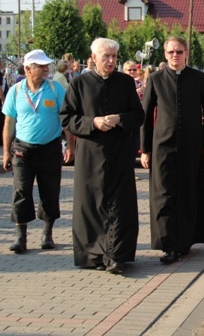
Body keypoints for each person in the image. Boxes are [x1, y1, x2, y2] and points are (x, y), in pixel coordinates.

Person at [61, 38, 144, 274]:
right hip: (90, 155)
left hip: (119, 153)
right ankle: (93, 254)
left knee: (120, 205)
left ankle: (117, 255)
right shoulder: (79, 83)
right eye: (106, 56)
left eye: (114, 57)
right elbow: (67, 118)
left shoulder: (125, 83)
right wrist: (93, 122)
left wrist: (119, 119)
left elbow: (138, 116)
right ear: (94, 57)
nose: (110, 61)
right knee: (91, 204)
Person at [141, 36, 204, 264]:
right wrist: (145, 150)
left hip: (192, 147)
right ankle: (169, 244)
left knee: (187, 193)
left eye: (179, 51)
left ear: (186, 54)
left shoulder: (199, 79)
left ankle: (185, 241)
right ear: (165, 55)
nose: (175, 55)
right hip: (162, 147)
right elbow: (145, 116)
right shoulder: (155, 79)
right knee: (164, 194)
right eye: (171, 52)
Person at [2, 50, 74, 253]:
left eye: (46, 66)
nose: (45, 69)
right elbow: (9, 122)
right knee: (21, 192)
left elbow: (65, 119)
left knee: (49, 192)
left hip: (50, 148)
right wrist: (6, 152)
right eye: (40, 66)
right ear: (27, 69)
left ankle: (47, 234)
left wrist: (70, 145)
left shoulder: (55, 88)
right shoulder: (16, 91)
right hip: (23, 150)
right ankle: (20, 236)